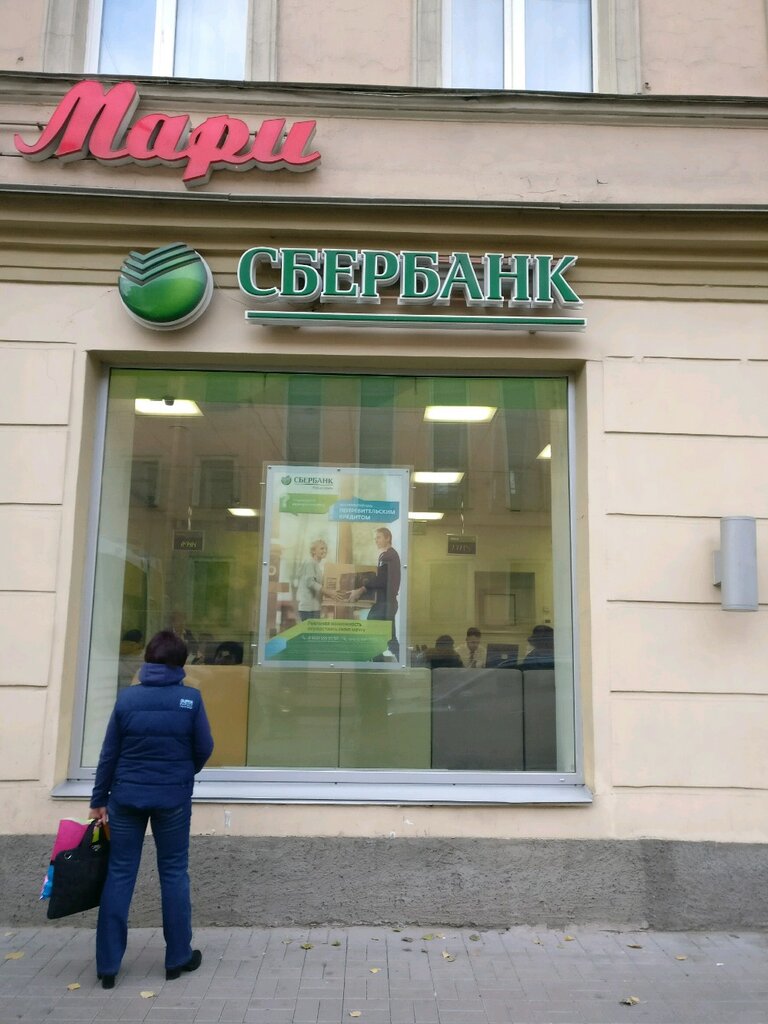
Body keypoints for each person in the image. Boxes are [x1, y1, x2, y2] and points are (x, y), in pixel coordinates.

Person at [89, 630, 214, 989]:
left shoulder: (127, 699)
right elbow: (204, 747)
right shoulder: (189, 699)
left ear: (147, 660)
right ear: (181, 662)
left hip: (125, 798)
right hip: (172, 799)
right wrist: (182, 773)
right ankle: (177, 959)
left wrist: (98, 800)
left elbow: (109, 753)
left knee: (119, 874)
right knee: (173, 873)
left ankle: (108, 967)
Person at [347, 526, 401, 658]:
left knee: (374, 633)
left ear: (388, 538)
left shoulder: (388, 556)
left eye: (378, 537)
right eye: (375, 538)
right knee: (388, 638)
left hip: (385, 603)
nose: (376, 540)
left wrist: (361, 589)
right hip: (387, 602)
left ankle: (380, 663)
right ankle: (384, 661)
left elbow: (382, 579)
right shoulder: (390, 555)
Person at [294, 539, 333, 620]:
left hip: (315, 607)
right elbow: (310, 582)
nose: (325, 551)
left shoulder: (316, 565)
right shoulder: (310, 562)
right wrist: (328, 591)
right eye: (322, 548)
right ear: (313, 551)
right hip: (307, 609)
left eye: (325, 549)